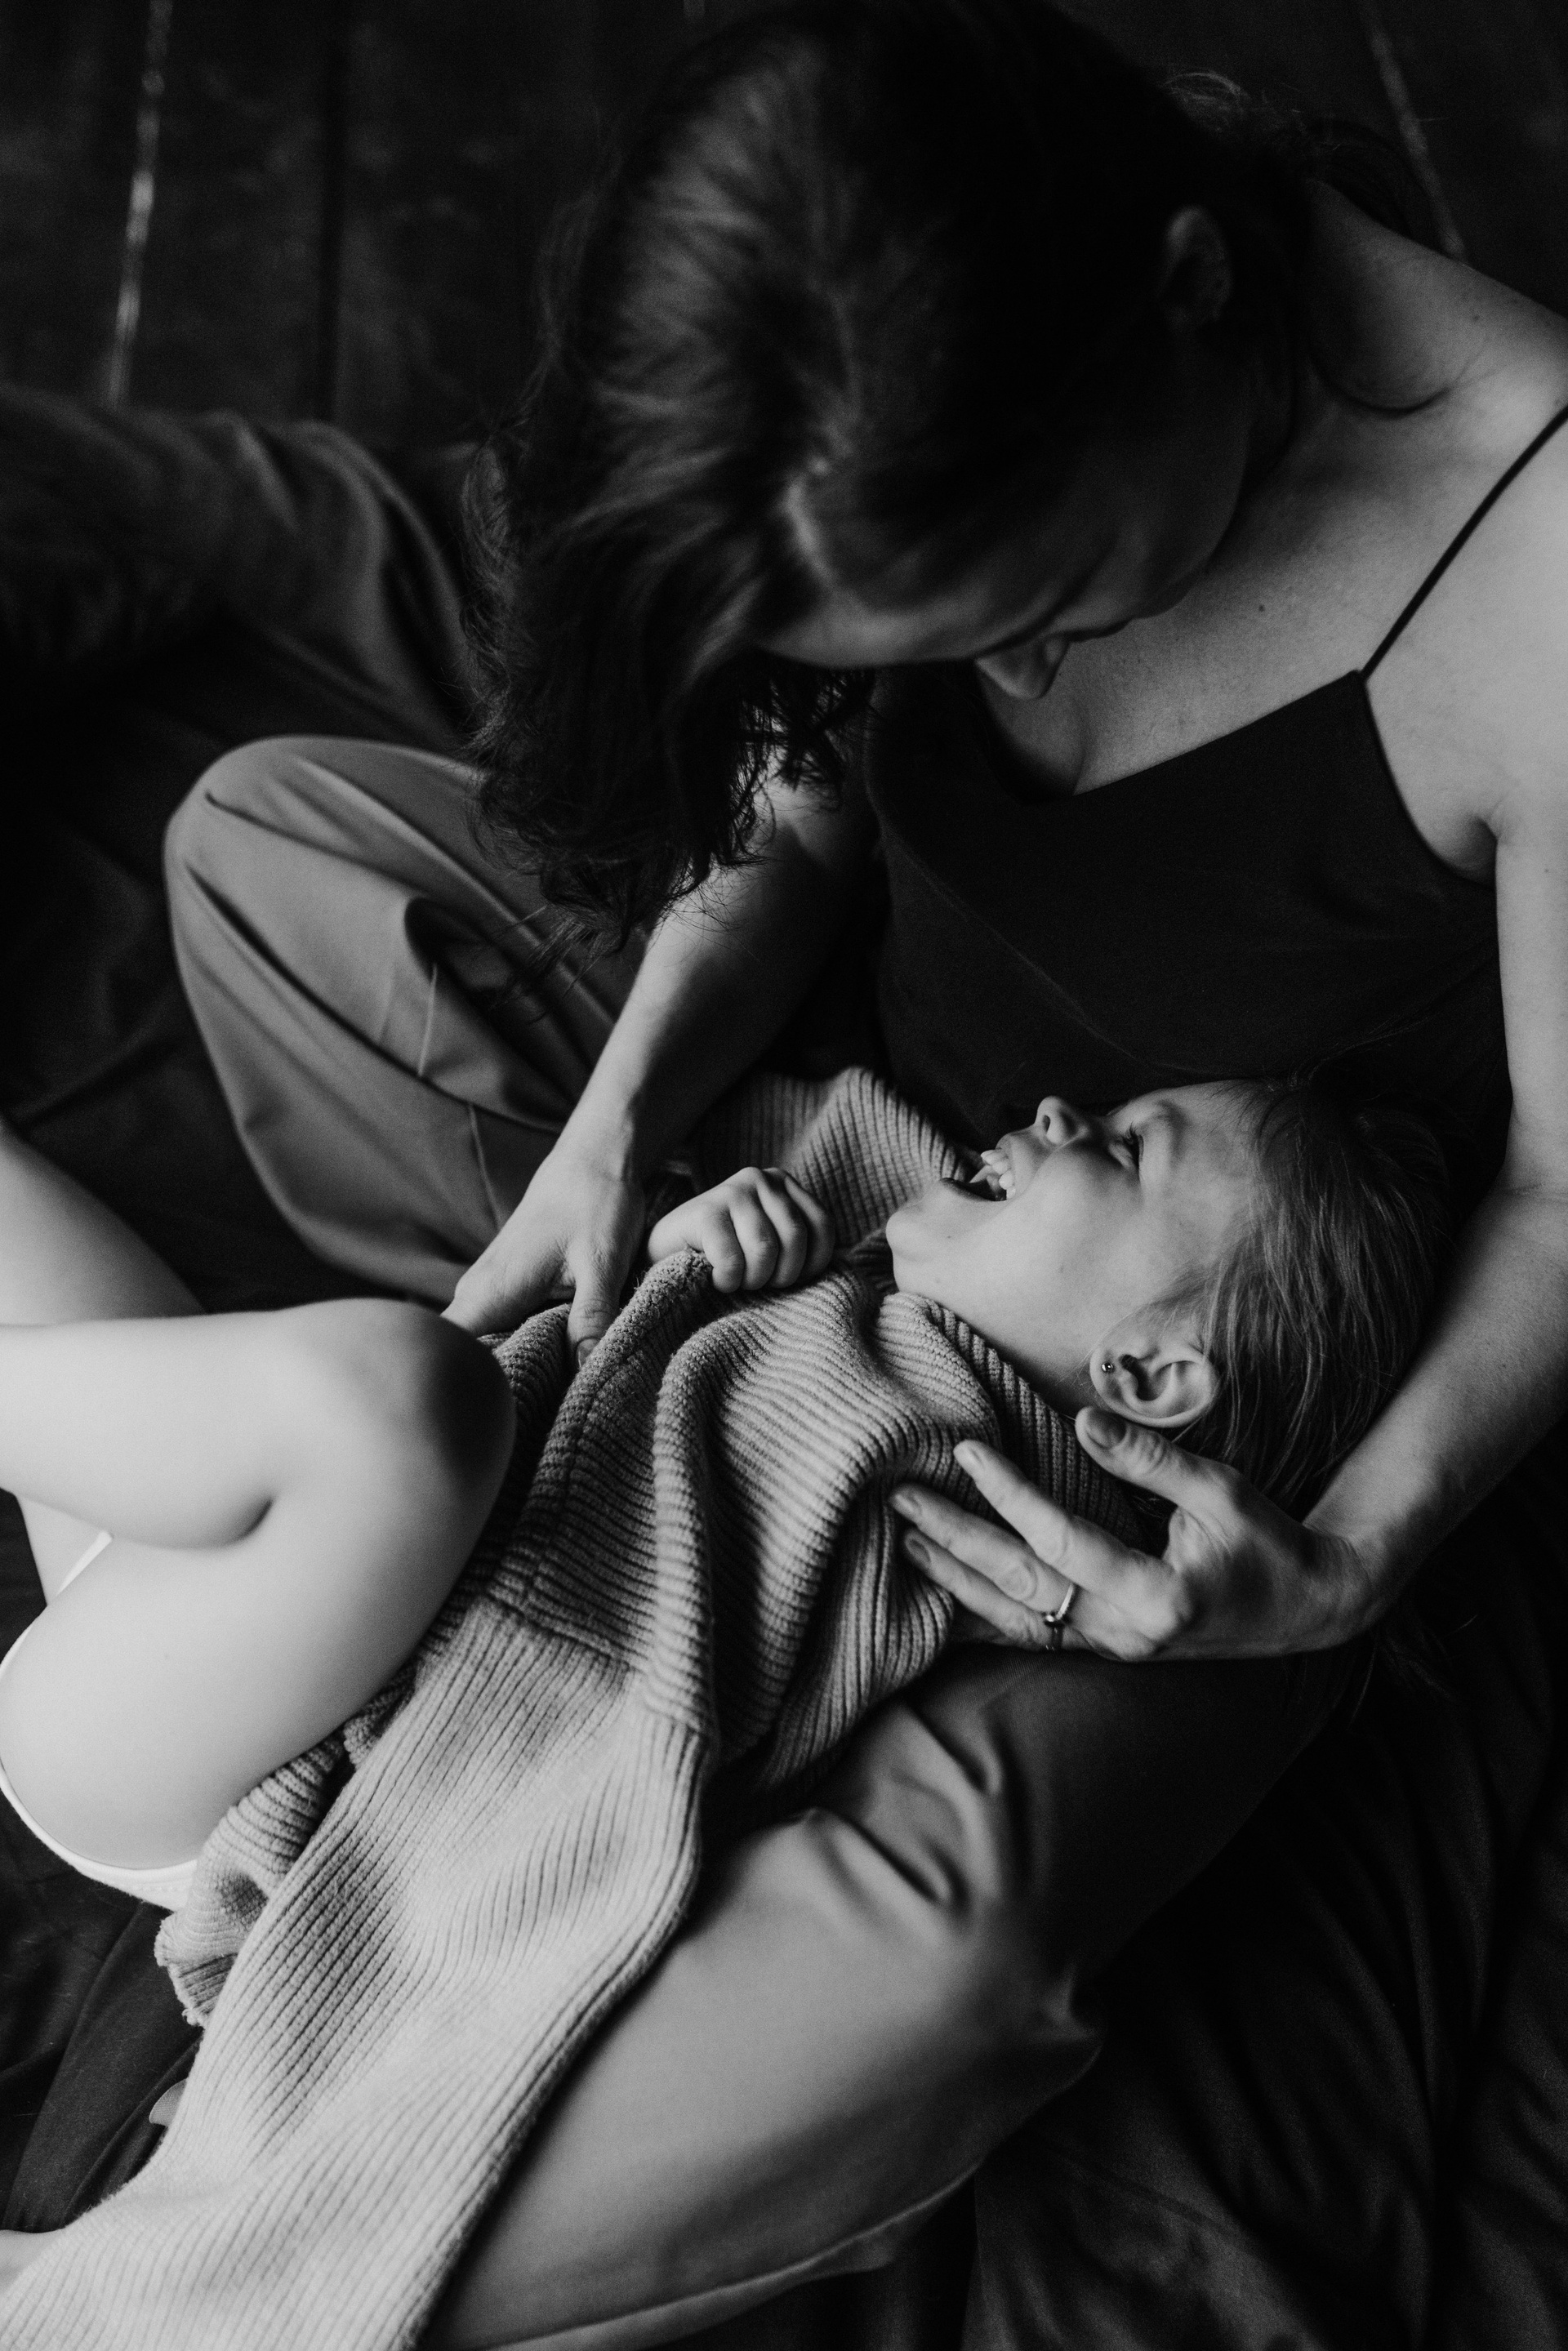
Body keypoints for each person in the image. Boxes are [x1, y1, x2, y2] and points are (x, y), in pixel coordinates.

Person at [155, 0, 1568, 2339]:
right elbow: (799, 827)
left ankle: (209, 2274)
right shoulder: (906, 332)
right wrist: (611, 1146)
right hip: (851, 1144)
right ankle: (640, 1474)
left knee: (951, 1958)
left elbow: (1557, 1205)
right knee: (266, 845)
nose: (1016, 677)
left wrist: (1332, 1566)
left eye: (1039, 613)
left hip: (1147, 1366)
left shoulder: (1539, 556)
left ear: (1193, 295)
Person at [0, 1075, 1442, 1915]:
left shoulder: (977, 1522)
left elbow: (639, 1697)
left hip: (227, 1752)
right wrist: (682, 1256)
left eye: (1120, 1150)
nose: (1060, 1108)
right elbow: (603, 1410)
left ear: (1147, 1375)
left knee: (402, 1394)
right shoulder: (855, 1292)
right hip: (219, 1593)